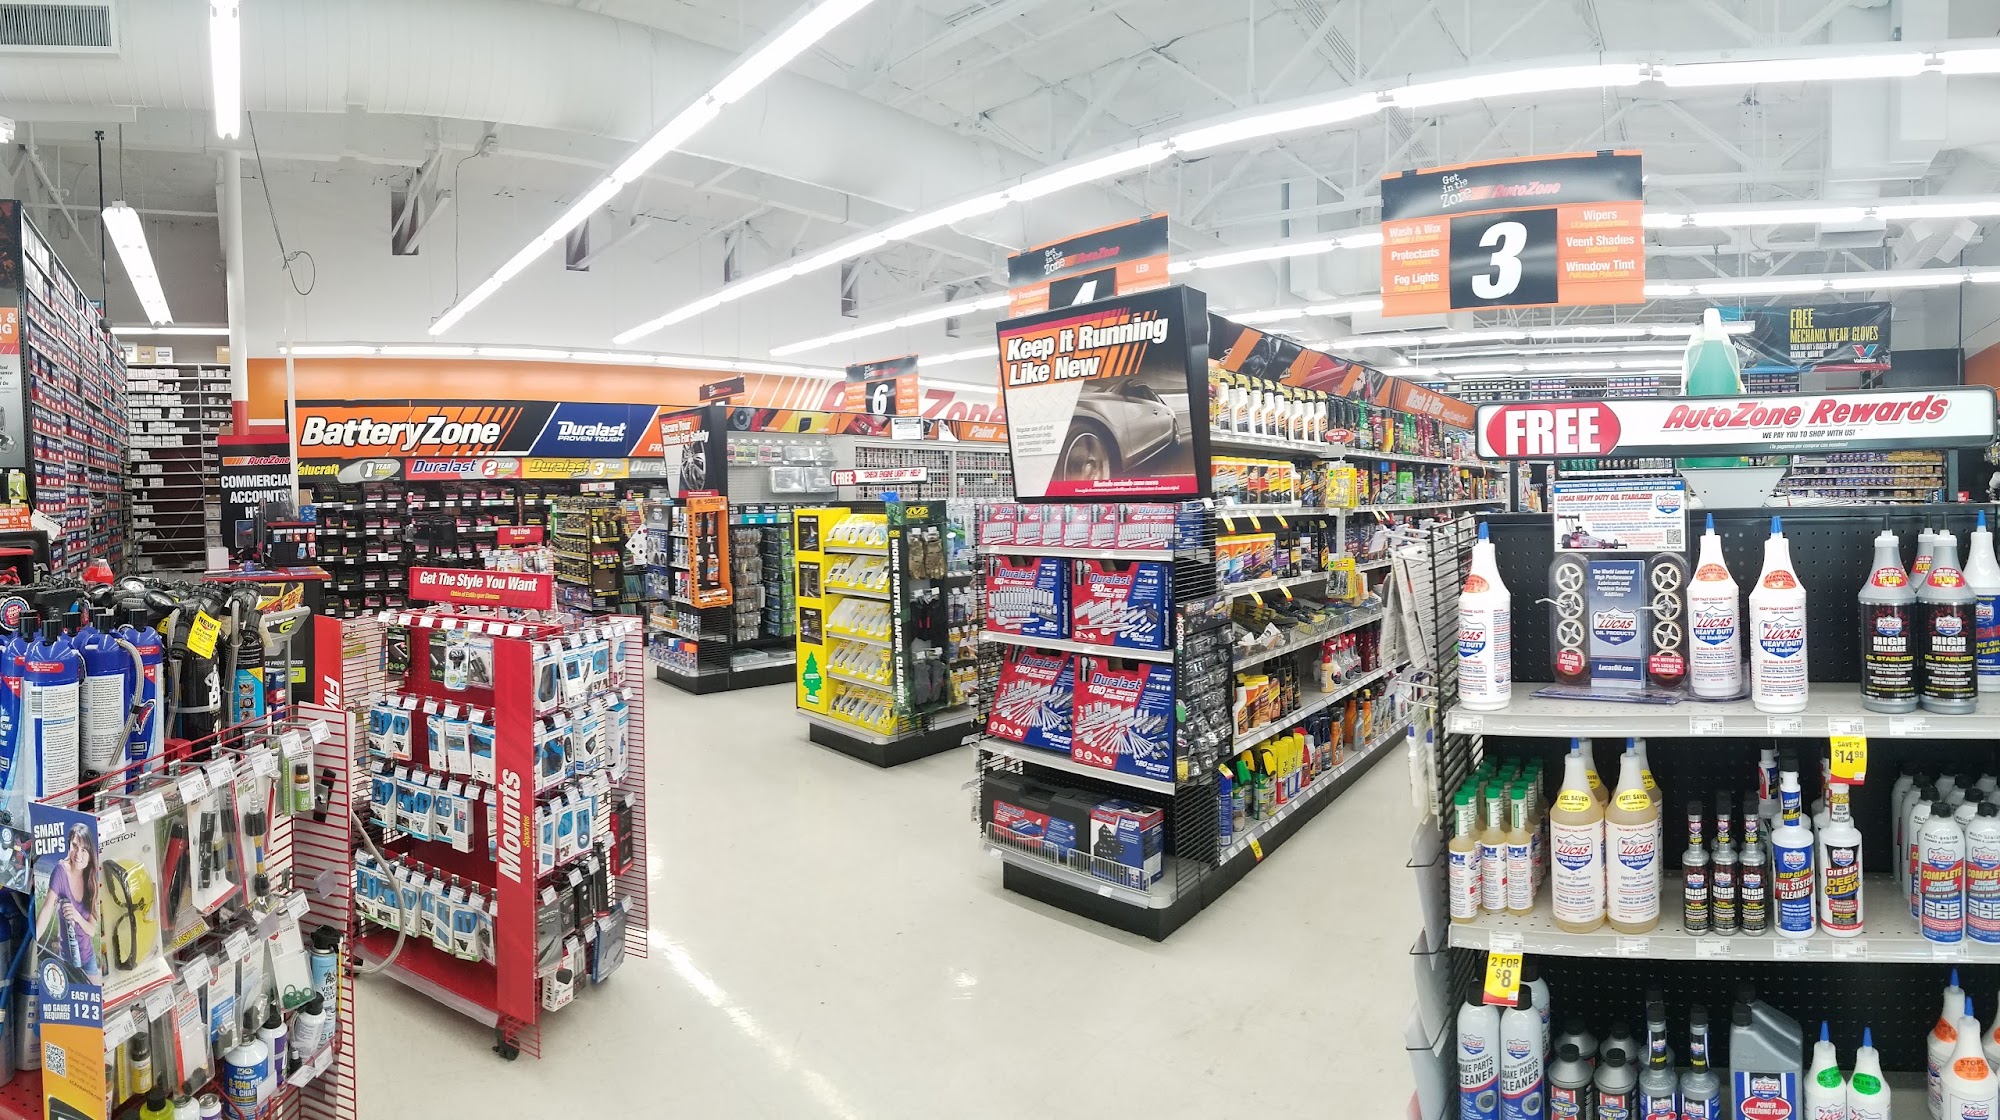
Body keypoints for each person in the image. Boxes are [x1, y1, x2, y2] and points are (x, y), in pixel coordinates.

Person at [35, 821, 99, 984]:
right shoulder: (61, 871)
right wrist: (33, 942)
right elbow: (47, 907)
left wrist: (77, 917)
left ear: (90, 854)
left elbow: (92, 930)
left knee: (93, 995)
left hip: (88, 959)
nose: (78, 854)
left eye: (84, 850)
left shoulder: (92, 881)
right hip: (66, 960)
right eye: (74, 846)